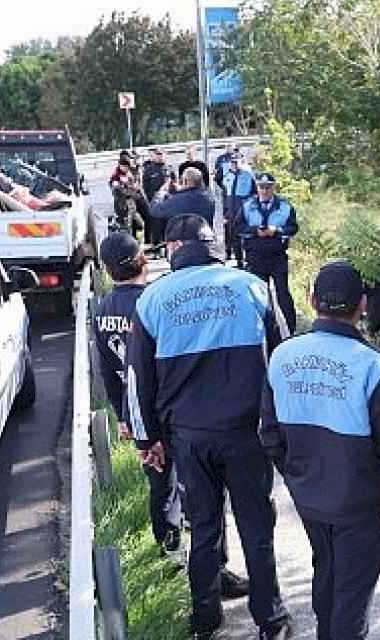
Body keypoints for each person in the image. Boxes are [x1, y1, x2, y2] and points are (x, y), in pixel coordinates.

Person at [126, 214, 292, 640]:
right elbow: (284, 358)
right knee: (257, 527)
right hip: (246, 434)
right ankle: (270, 621)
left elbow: (137, 380)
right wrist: (286, 428)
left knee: (203, 528)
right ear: (213, 245)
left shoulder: (152, 300)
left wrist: (148, 440)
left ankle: (206, 622)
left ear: (173, 250)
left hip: (189, 437)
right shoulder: (253, 286)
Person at [260, 260, 380, 640]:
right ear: (363, 305)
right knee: (352, 595)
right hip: (360, 504)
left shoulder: (282, 356)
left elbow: (268, 431)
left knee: (328, 573)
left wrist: (299, 475)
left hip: (310, 498)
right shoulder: (375, 367)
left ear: (311, 299)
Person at [91, 231, 248, 596]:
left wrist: (126, 417)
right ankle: (213, 571)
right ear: (143, 259)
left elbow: (108, 371)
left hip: (139, 414)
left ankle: (169, 556)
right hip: (172, 411)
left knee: (160, 487)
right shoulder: (154, 302)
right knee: (201, 495)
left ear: (108, 269)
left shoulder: (102, 310)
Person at [238, 173, 298, 333]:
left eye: (268, 187)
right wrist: (254, 231)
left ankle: (290, 329)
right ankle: (259, 329)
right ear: (257, 188)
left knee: (282, 293)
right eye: (261, 187)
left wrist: (277, 231)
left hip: (277, 256)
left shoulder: (285, 206)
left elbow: (293, 228)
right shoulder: (247, 205)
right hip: (255, 255)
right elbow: (238, 227)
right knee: (258, 295)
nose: (264, 191)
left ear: (273, 188)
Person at [221, 156, 255, 265]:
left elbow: (255, 193)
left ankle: (249, 260)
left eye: (236, 162)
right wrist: (225, 212)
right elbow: (225, 194)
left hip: (244, 209)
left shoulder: (248, 175)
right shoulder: (228, 176)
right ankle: (239, 260)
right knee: (234, 236)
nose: (234, 164)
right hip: (231, 209)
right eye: (232, 162)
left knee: (246, 236)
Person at [142, 149, 172, 245]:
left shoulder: (169, 169)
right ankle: (156, 248)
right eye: (158, 155)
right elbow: (145, 187)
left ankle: (168, 247)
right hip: (155, 202)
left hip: (168, 202)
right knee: (156, 226)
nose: (160, 157)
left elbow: (175, 184)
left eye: (161, 154)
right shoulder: (149, 170)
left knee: (168, 226)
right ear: (154, 156)